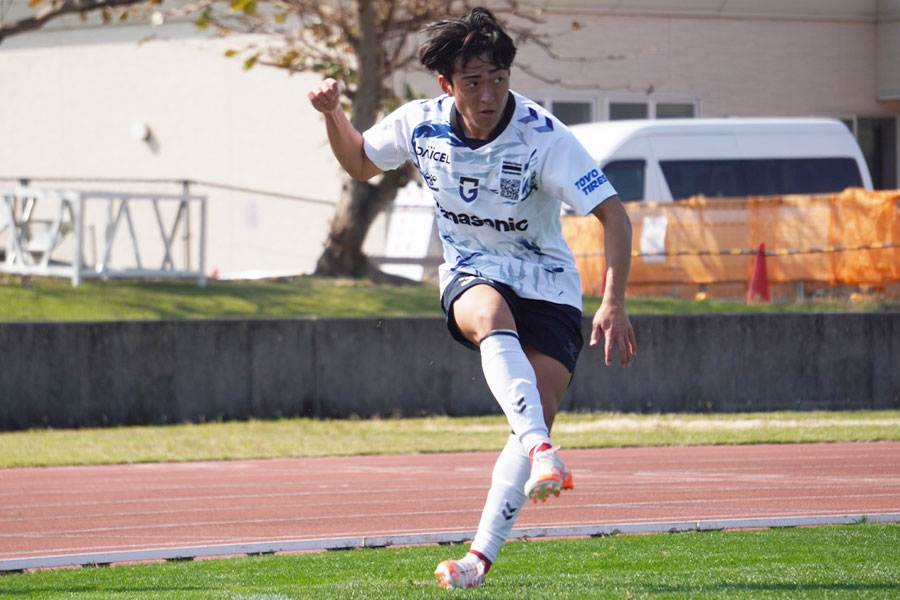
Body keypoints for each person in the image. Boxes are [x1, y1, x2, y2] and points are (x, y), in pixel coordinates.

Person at [308, 7, 637, 591]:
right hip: (471, 272)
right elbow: (360, 162)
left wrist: (614, 301)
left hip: (549, 285)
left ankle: (477, 561)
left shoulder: (543, 136)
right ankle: (543, 451)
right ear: (446, 85)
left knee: (532, 406)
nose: (489, 95)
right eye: (473, 82)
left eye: (499, 79)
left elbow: (613, 213)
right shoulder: (419, 124)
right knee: (488, 314)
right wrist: (334, 114)